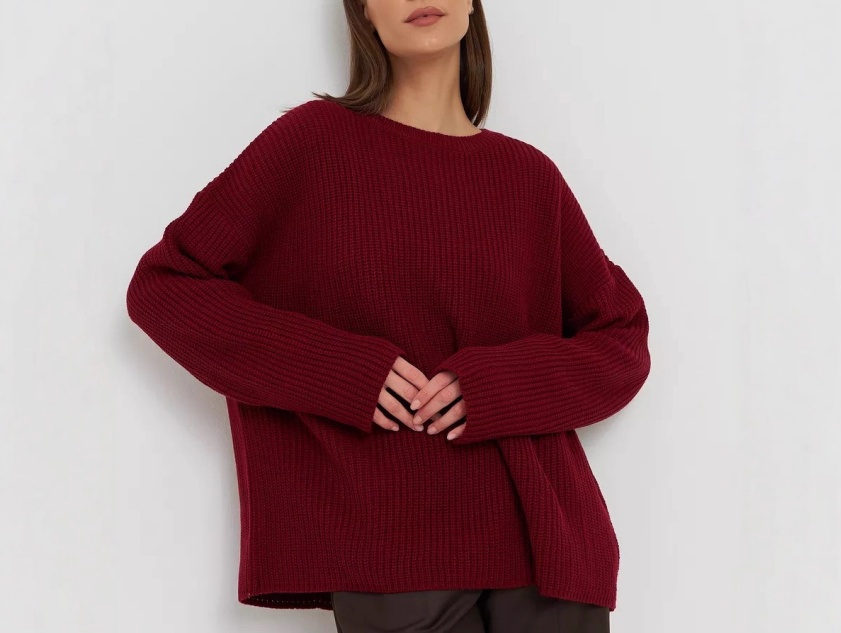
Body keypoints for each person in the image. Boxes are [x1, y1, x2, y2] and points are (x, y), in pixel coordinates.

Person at [125, 0, 651, 631]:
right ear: (364, 13)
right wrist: (341, 372)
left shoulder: (528, 176)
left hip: (548, 551)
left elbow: (621, 338)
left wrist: (500, 387)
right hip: (391, 547)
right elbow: (166, 287)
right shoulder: (312, 143)